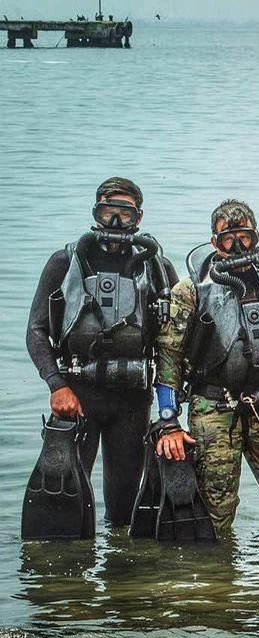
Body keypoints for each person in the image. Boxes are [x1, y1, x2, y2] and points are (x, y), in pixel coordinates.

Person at [25, 177, 177, 525]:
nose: (115, 223)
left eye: (124, 214)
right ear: (95, 212)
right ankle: (70, 569)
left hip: (132, 400)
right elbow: (36, 331)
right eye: (108, 211)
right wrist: (56, 385)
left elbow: (172, 344)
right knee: (66, 496)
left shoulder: (157, 267)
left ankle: (120, 573)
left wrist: (169, 409)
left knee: (123, 506)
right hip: (77, 396)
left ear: (138, 218)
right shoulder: (65, 262)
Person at [152, 199, 259, 535]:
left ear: (257, 236)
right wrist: (169, 422)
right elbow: (168, 355)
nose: (238, 245)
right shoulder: (191, 290)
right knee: (217, 505)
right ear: (214, 242)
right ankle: (216, 581)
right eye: (228, 238)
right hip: (214, 406)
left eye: (245, 237)